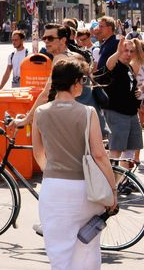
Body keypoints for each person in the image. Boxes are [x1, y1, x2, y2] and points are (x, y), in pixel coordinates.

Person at [32, 58, 117, 270]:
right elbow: (99, 155)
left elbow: (38, 152)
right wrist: (112, 190)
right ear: (76, 82)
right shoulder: (88, 112)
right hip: (85, 190)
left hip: (54, 189)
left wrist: (51, 169)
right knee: (87, 251)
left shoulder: (41, 112)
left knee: (59, 254)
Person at [98, 36, 142, 165]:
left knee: (129, 150)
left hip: (132, 114)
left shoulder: (129, 68)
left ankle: (123, 181)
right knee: (116, 150)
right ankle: (112, 182)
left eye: (131, 51)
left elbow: (129, 86)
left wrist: (137, 90)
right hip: (117, 114)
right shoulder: (115, 65)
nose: (128, 54)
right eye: (125, 50)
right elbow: (109, 65)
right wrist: (118, 52)